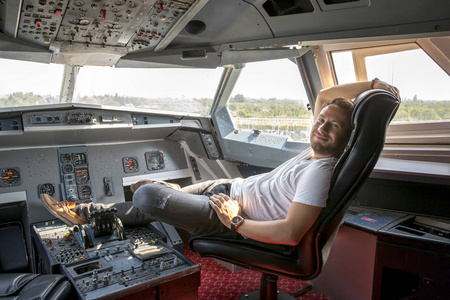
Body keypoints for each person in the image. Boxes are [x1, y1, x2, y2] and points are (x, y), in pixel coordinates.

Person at [42, 79, 400, 246]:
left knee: (148, 197)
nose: (321, 127)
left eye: (333, 125)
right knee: (144, 195)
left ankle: (136, 198)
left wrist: (236, 220)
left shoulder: (321, 171)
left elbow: (292, 234)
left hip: (227, 211)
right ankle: (88, 212)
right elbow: (324, 97)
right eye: (320, 119)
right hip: (229, 187)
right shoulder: (318, 148)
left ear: (347, 135)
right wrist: (370, 86)